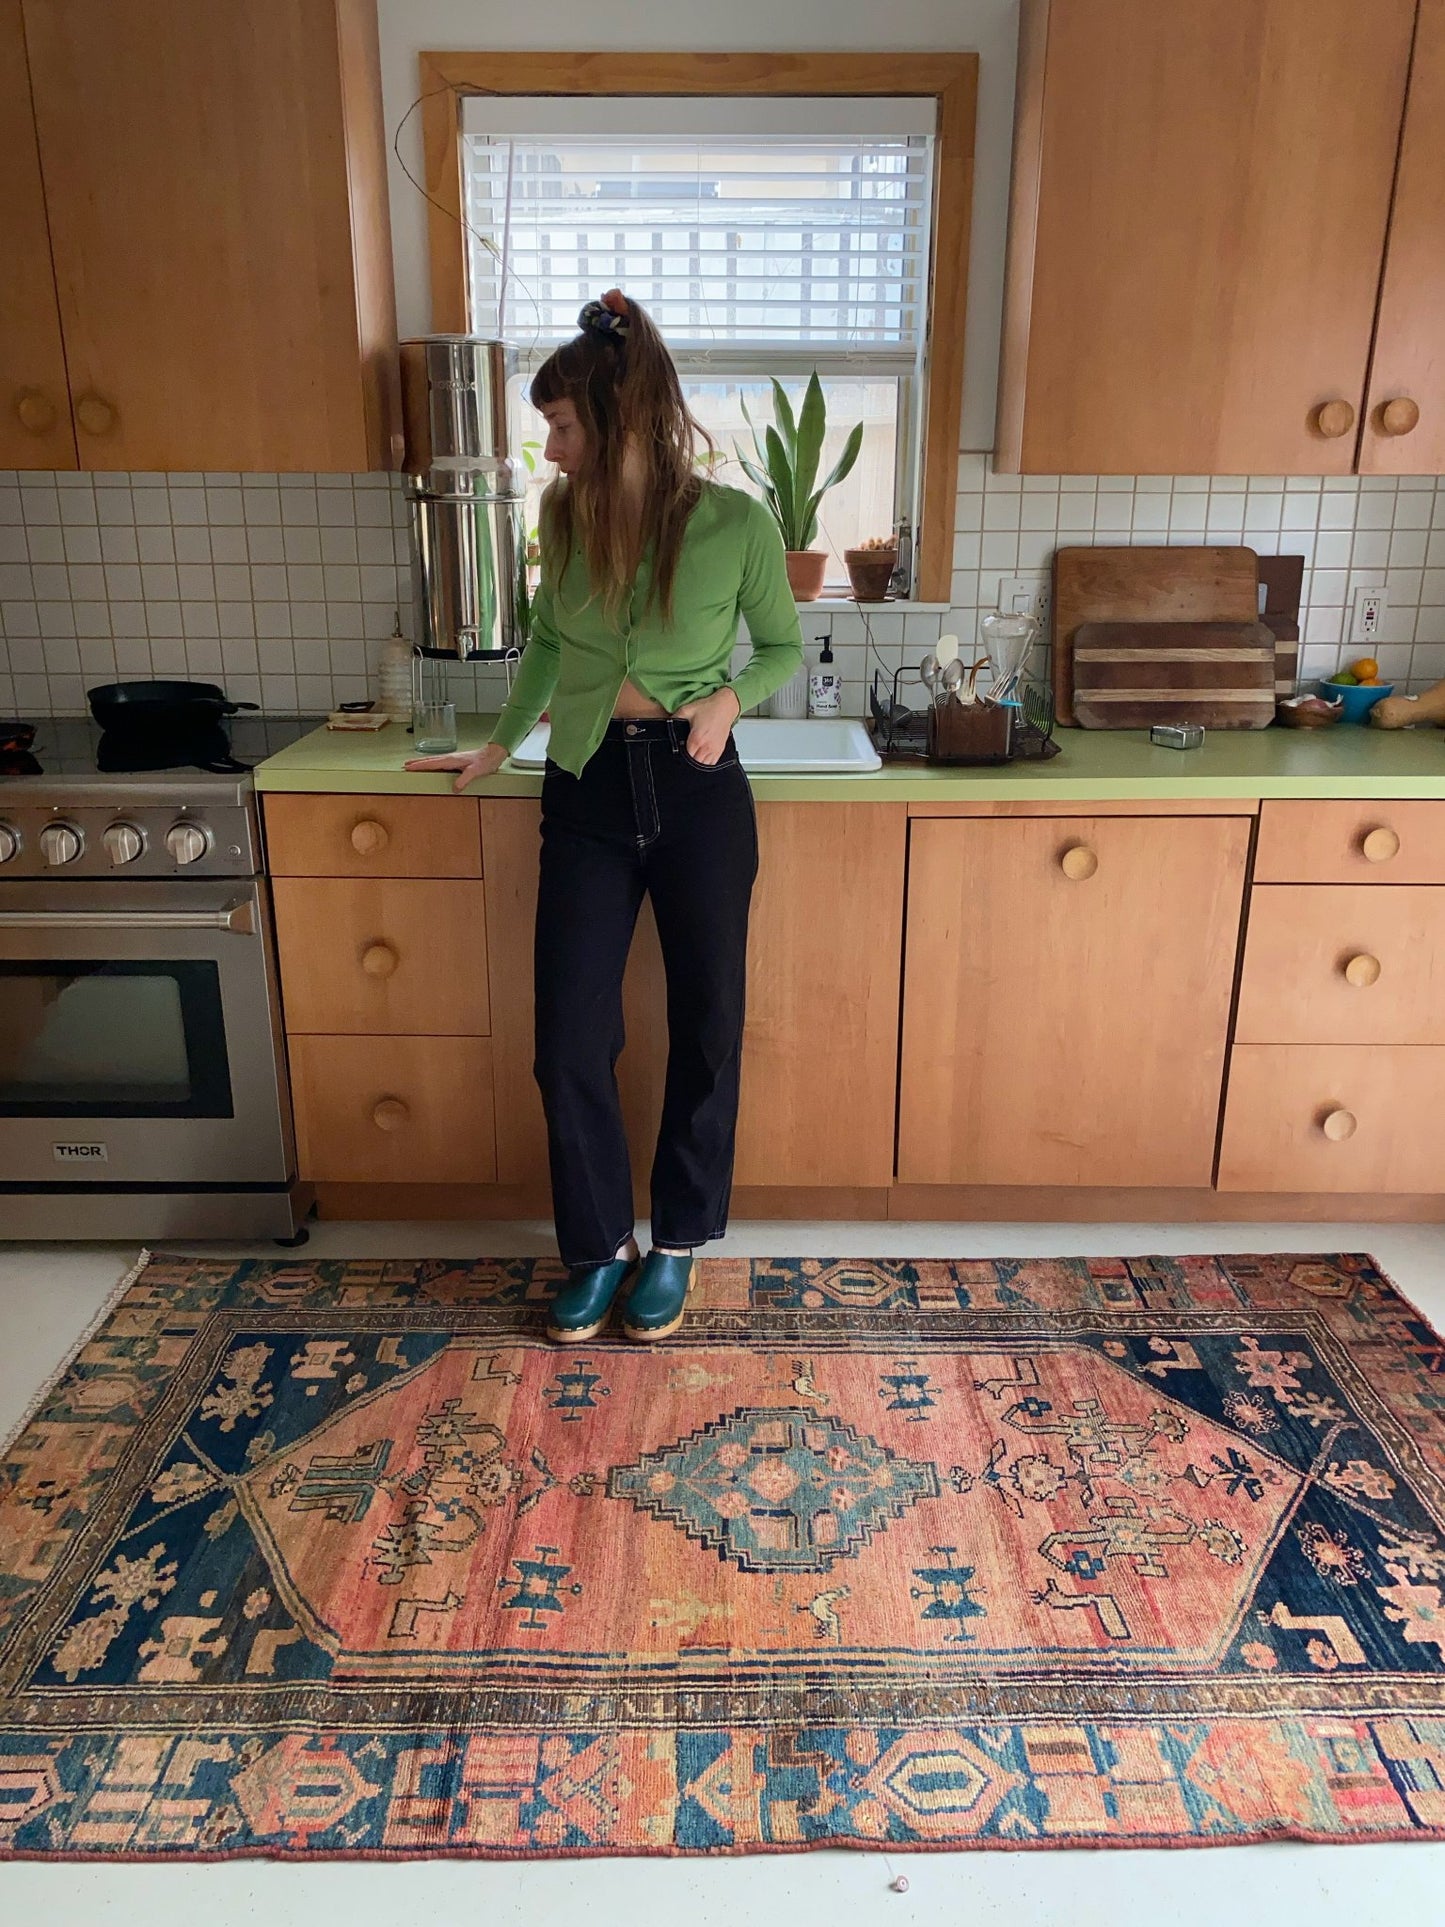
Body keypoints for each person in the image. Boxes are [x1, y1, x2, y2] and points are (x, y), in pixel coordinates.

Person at [405, 289, 803, 1344]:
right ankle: (593, 1248)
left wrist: (724, 702)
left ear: (620, 419)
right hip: (583, 785)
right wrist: (501, 740)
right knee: (569, 1037)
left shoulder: (734, 524)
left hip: (696, 789)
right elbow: (543, 645)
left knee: (706, 1023)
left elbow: (779, 648)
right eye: (547, 424)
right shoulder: (559, 517)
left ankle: (672, 1244)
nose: (549, 444)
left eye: (562, 423)